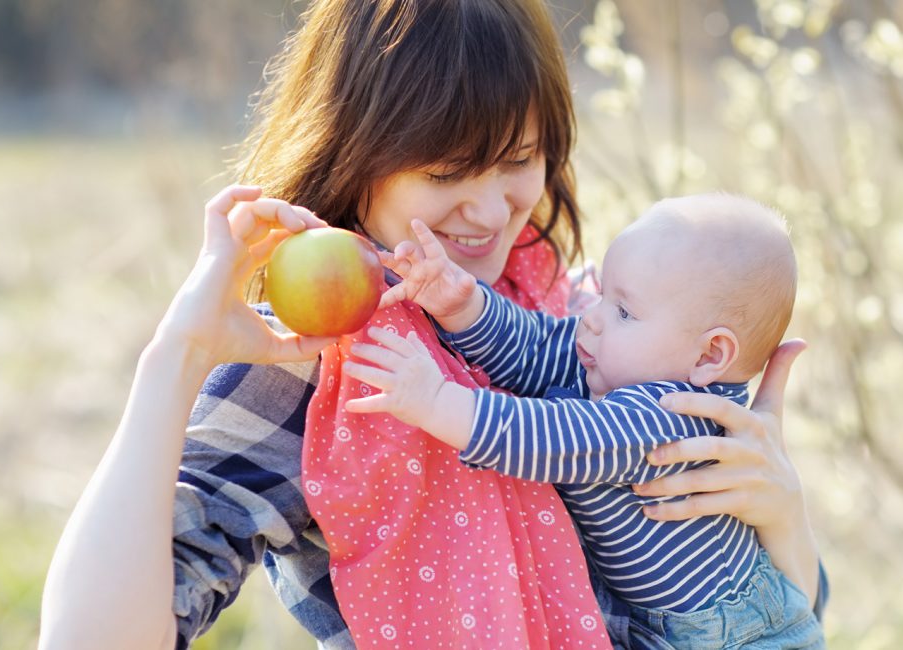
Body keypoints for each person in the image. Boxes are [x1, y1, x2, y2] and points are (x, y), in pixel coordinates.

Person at [39, 1, 825, 648]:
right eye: (447, 173)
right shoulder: (326, 359)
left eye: (519, 159)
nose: (490, 212)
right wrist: (175, 358)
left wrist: (781, 515)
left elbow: (777, 610)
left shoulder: (563, 303)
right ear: (355, 151)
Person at [339, 193, 823, 648]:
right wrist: (463, 306)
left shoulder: (672, 418)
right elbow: (537, 346)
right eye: (603, 297)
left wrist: (435, 400)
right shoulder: (624, 363)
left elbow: (549, 439)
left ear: (710, 354)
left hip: (739, 635)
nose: (591, 318)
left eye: (624, 311)